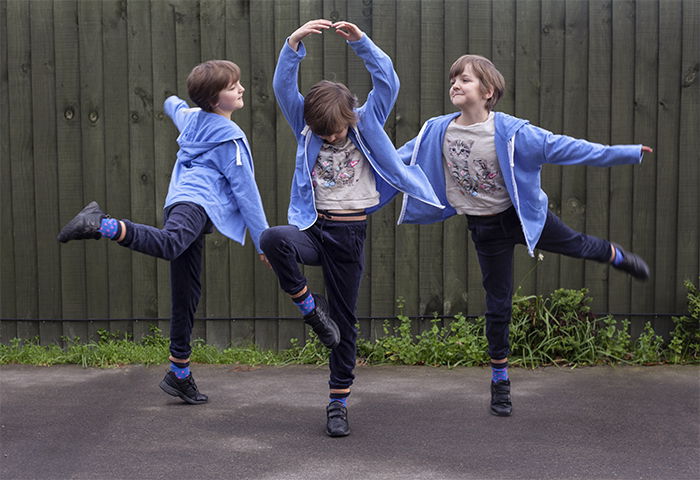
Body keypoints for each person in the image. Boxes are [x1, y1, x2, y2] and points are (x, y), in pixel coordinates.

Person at [396, 54, 652, 417]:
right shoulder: (437, 130)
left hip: (523, 218)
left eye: (464, 80)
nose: (455, 84)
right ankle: (500, 381)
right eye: (453, 79)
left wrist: (624, 153)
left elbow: (568, 147)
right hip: (485, 229)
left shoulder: (514, 132)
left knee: (576, 244)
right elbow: (395, 160)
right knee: (498, 304)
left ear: (488, 91)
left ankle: (616, 256)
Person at [260, 19, 442, 437]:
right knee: (272, 239)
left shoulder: (367, 121)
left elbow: (388, 80)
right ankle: (311, 311)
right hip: (312, 228)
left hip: (349, 235)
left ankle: (338, 402)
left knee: (345, 323)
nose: (329, 137)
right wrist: (292, 45)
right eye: (322, 133)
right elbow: (284, 90)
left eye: (335, 130)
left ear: (349, 116)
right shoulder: (308, 129)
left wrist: (362, 44)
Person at [57, 60, 270, 405]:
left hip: (178, 203)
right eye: (233, 87)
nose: (241, 89)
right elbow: (248, 194)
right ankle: (102, 224)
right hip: (195, 206)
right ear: (216, 100)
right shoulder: (231, 142)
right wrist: (264, 243)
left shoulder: (194, 120)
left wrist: (172, 101)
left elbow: (176, 107)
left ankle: (179, 373)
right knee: (171, 245)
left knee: (186, 293)